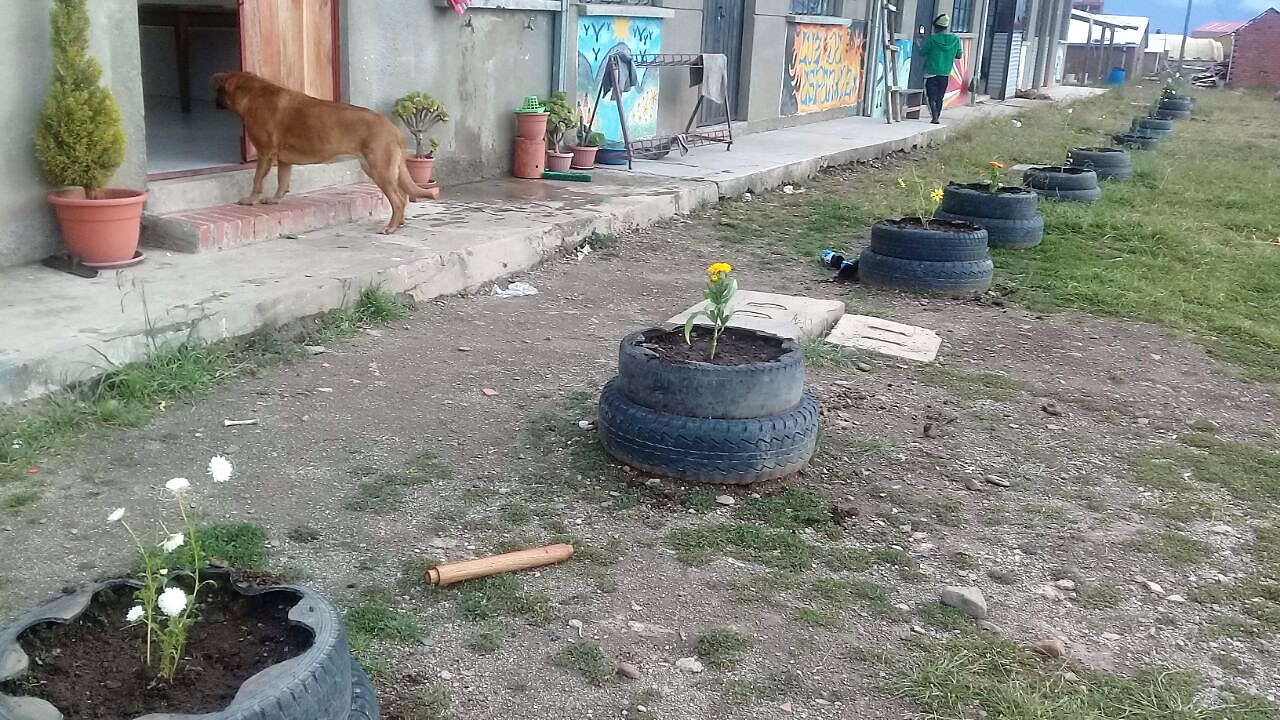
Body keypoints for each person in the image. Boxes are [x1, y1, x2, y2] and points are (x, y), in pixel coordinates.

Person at [917, 13, 962, 124]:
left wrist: (919, 43)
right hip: (945, 73)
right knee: (940, 97)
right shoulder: (956, 40)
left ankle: (934, 117)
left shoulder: (932, 39)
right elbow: (959, 55)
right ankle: (937, 116)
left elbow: (922, 52)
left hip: (931, 73)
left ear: (936, 27)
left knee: (930, 96)